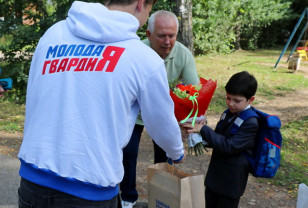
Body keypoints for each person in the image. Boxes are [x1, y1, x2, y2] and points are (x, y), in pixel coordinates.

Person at [17, 1, 186, 207]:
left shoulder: (55, 33)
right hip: (89, 189)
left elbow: (35, 91)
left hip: (33, 181)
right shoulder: (143, 58)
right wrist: (176, 152)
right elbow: (161, 121)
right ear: (141, 4)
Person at [120, 10, 199, 208]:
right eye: (161, 35)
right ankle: (128, 197)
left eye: (171, 35)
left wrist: (195, 117)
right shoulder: (134, 52)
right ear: (148, 34)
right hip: (134, 113)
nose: (167, 41)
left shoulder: (183, 55)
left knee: (164, 156)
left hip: (163, 113)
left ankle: (162, 197)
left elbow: (194, 93)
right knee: (128, 154)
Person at [183, 71, 259, 208]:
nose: (231, 104)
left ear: (250, 100)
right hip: (215, 176)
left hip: (231, 182)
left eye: (237, 101)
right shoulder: (227, 114)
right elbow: (217, 137)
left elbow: (229, 146)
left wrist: (203, 129)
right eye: (228, 98)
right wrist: (197, 135)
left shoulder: (251, 122)